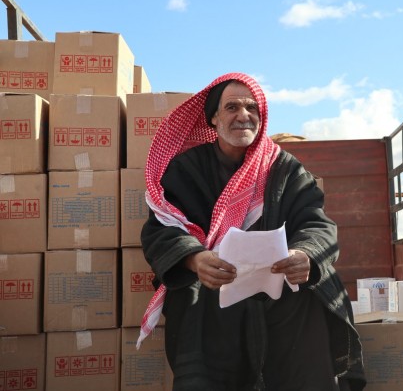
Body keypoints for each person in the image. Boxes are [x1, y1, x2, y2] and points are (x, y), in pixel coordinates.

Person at [138, 72, 366, 391]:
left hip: (278, 282)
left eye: (251, 108)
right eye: (232, 107)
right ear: (214, 118)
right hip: (214, 284)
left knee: (318, 286)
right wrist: (195, 260)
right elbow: (162, 228)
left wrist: (305, 255)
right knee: (190, 295)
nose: (243, 115)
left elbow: (316, 223)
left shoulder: (285, 168)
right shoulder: (188, 169)